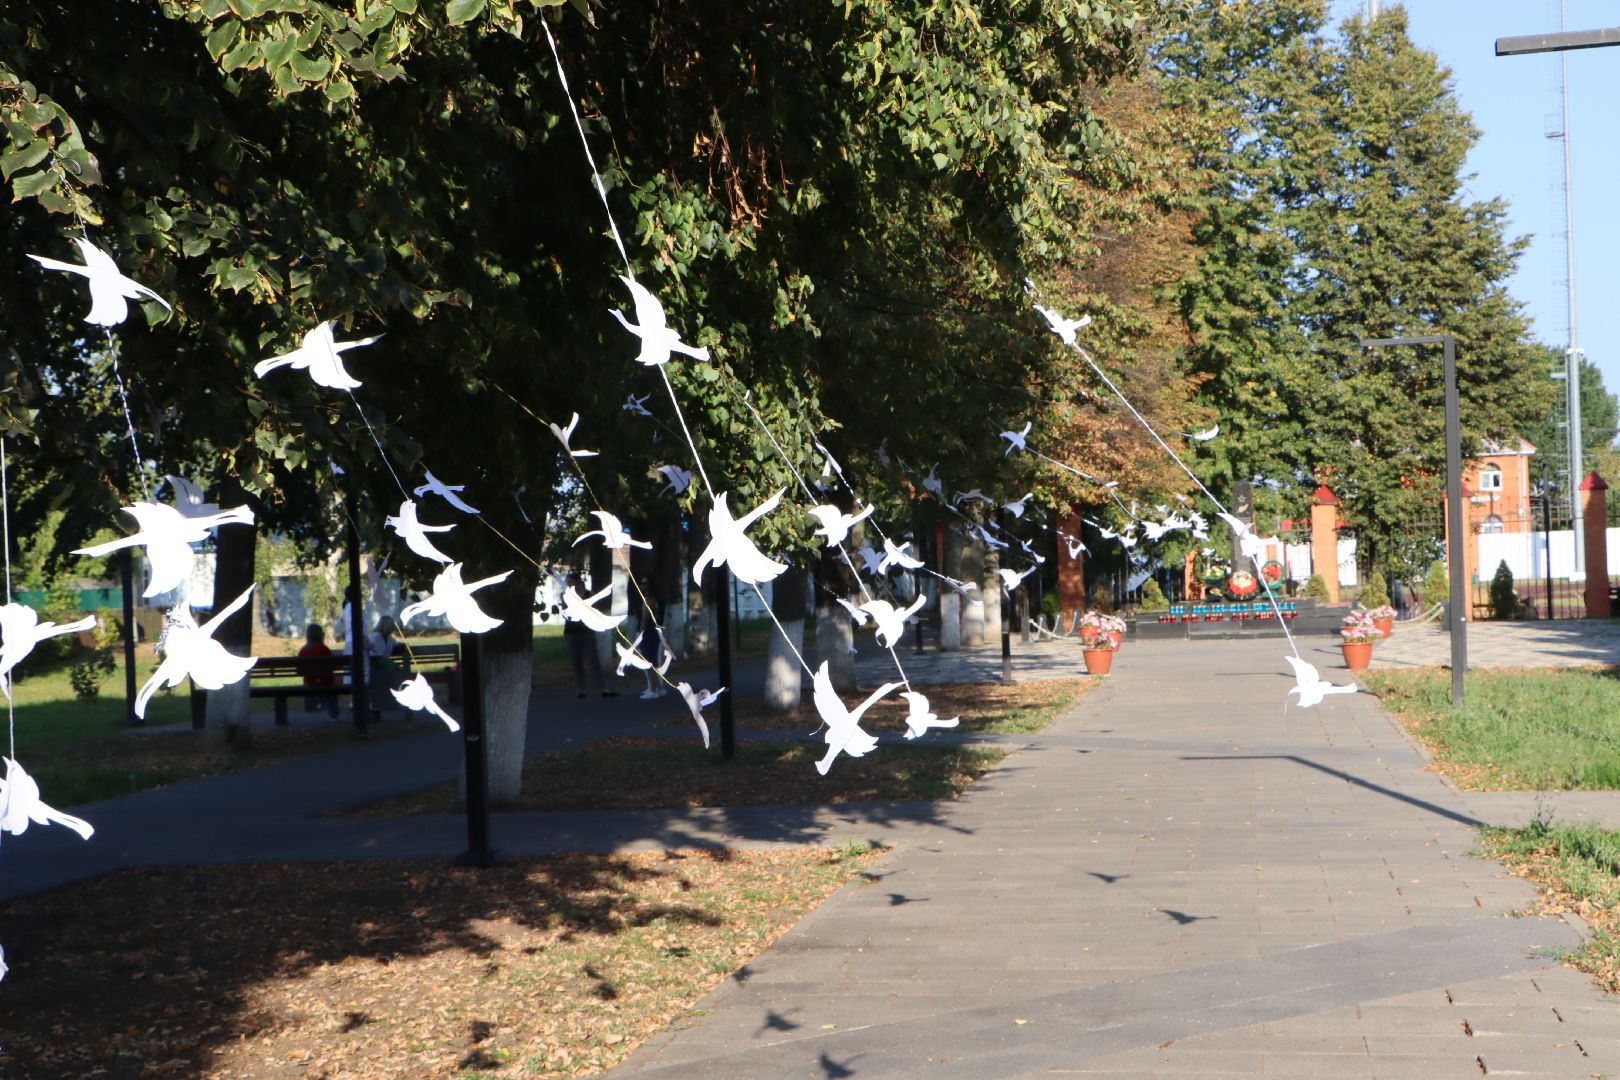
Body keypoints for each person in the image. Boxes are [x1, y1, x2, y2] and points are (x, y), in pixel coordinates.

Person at [564, 572, 614, 699]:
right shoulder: (567, 595)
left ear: (577, 582)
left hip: (587, 632)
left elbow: (594, 609)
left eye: (570, 581)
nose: (568, 584)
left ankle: (603, 687)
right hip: (571, 632)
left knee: (593, 660)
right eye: (567, 582)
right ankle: (581, 689)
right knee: (576, 661)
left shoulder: (589, 594)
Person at [298, 623, 341, 719]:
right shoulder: (324, 649)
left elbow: (300, 671)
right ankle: (334, 714)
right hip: (326, 682)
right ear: (320, 635)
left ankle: (312, 707)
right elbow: (332, 667)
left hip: (310, 681)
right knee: (331, 686)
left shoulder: (303, 651)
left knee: (320, 682)